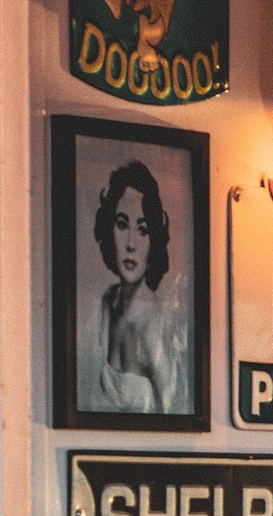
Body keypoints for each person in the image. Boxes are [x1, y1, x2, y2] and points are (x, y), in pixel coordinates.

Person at [85, 159, 187, 415]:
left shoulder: (154, 325)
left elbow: (173, 416)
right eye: (122, 225)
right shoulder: (107, 302)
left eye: (143, 230)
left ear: (154, 239)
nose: (131, 243)